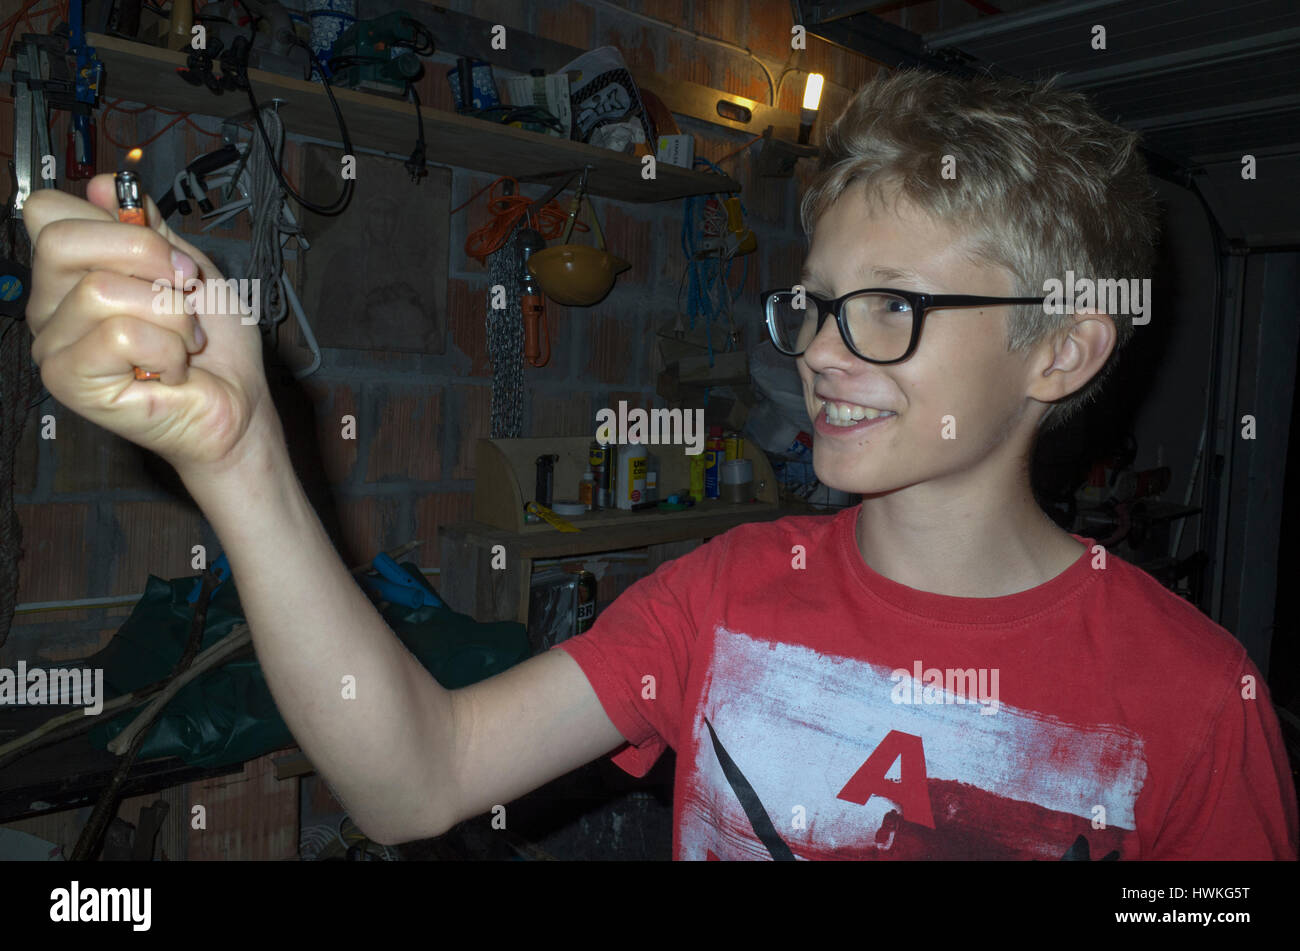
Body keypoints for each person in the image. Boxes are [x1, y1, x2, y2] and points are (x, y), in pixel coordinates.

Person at [23, 69, 1296, 860]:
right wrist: (242, 461)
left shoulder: (1193, 697)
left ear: (1060, 353)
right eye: (812, 305)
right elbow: (417, 781)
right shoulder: (723, 596)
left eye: (889, 307)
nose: (823, 355)